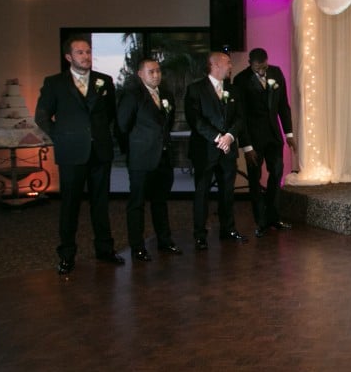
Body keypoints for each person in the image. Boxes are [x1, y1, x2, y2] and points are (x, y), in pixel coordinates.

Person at [34, 34, 122, 276]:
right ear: (68, 57)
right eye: (80, 52)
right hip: (71, 153)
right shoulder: (54, 83)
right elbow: (41, 117)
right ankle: (66, 255)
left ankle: (105, 250)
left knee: (101, 204)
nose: (86, 56)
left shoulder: (104, 81)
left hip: (100, 152)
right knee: (70, 206)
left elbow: (111, 113)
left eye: (88, 51)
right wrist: (61, 137)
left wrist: (105, 136)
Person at [117, 58, 181, 261]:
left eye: (158, 71)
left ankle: (164, 241)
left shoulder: (167, 95)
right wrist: (133, 151)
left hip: (163, 158)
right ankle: (137, 246)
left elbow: (167, 124)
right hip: (140, 159)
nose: (156, 75)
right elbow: (121, 126)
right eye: (151, 71)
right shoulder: (132, 95)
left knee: (160, 202)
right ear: (140, 74)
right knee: (137, 204)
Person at [185, 51, 248, 250]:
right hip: (205, 150)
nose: (231, 66)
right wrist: (217, 137)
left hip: (227, 149)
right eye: (228, 63)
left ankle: (228, 229)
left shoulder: (233, 90)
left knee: (227, 192)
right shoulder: (195, 89)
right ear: (215, 65)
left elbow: (240, 117)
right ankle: (200, 234)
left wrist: (229, 136)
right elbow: (195, 119)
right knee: (202, 192)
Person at [234, 47, 296, 238]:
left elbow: (283, 106)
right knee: (254, 178)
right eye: (258, 67)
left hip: (273, 135)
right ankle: (260, 221)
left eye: (264, 66)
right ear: (250, 64)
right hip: (253, 139)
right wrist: (247, 145)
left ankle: (274, 216)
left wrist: (289, 133)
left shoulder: (276, 73)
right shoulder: (241, 80)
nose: (262, 70)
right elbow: (240, 115)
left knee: (276, 172)